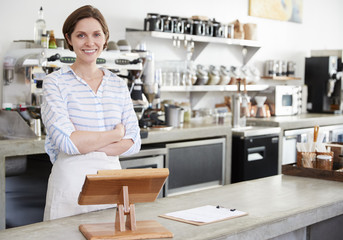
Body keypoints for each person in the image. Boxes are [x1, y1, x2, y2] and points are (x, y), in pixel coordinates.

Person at [41, 5, 141, 221]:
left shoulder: (118, 84)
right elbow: (67, 143)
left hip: (112, 183)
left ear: (105, 38)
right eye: (81, 35)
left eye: (96, 34)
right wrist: (115, 135)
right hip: (70, 185)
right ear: (69, 39)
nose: (89, 42)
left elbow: (134, 141)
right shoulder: (54, 83)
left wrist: (84, 142)